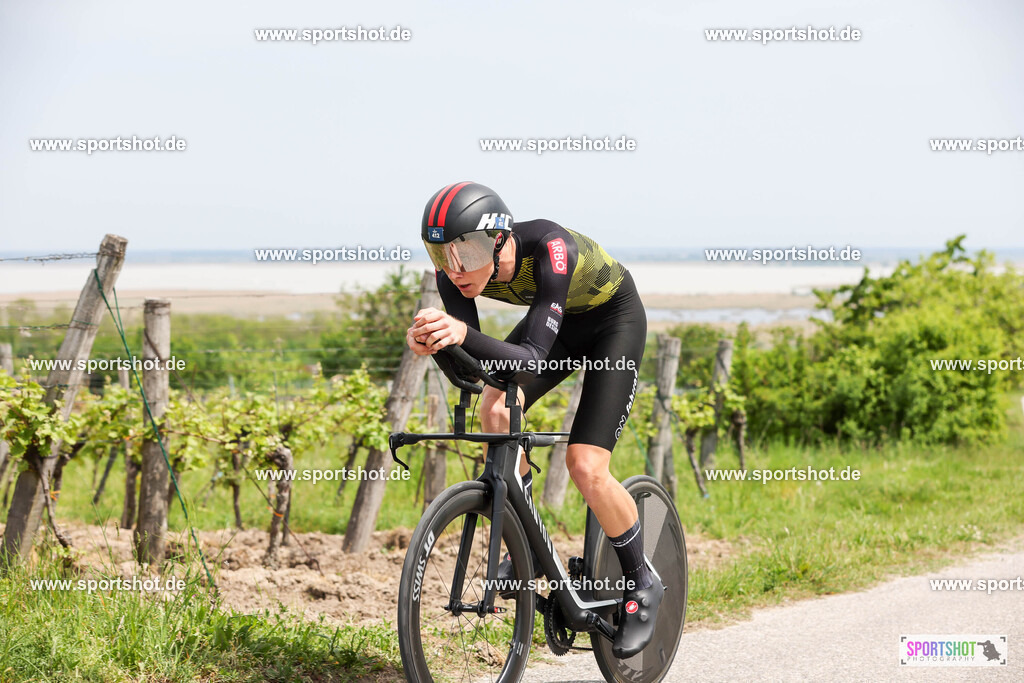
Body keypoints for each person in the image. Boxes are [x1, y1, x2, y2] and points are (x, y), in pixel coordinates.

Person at [406, 181, 662, 658]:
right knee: (495, 410)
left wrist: (460, 332)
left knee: (586, 465)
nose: (454, 269)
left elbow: (529, 356)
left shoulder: (550, 248)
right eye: (441, 254)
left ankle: (643, 581)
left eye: (467, 250)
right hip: (559, 326)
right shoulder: (453, 278)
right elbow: (477, 371)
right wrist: (437, 347)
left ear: (499, 238)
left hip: (613, 323)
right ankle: (526, 545)